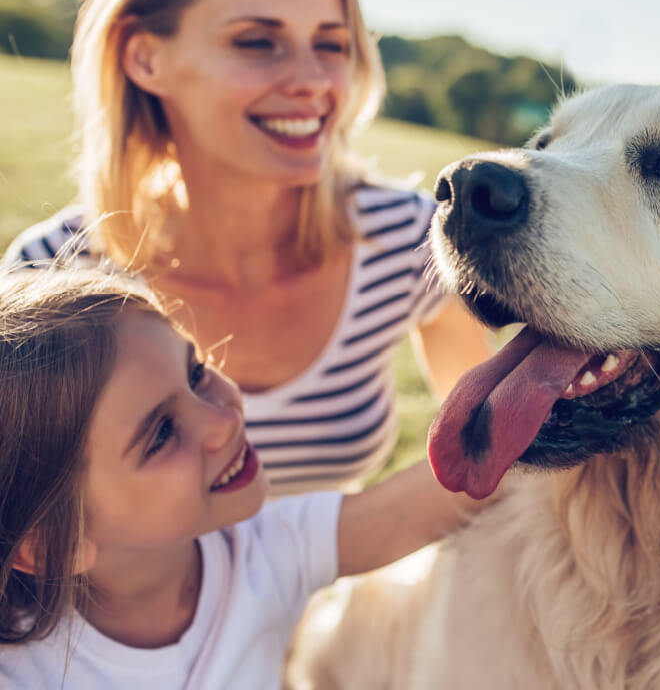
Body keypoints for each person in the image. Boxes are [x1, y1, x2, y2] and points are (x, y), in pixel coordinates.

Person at [2, 0, 496, 494]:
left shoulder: (410, 239)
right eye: (257, 42)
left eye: (332, 44)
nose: (314, 82)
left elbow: (487, 467)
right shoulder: (48, 278)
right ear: (144, 57)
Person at [0, 267, 486, 687]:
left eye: (194, 374)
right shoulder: (19, 670)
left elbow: (423, 503)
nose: (225, 419)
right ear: (51, 547)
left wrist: (538, 395)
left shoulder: (264, 552)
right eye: (162, 434)